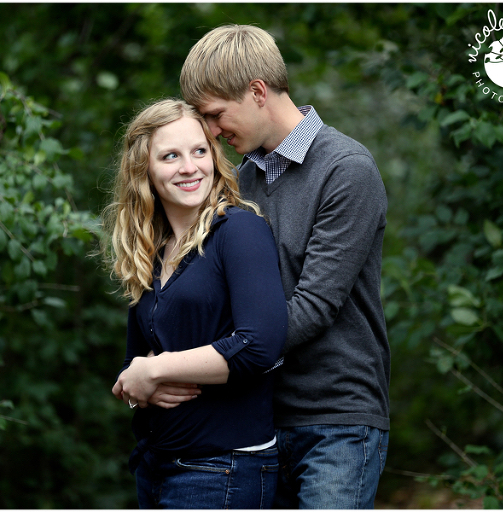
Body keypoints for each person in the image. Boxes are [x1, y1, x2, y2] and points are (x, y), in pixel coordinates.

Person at [178, 24, 391, 509]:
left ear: (257, 92)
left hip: (336, 421)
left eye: (215, 114)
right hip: (257, 420)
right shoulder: (240, 182)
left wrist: (204, 362)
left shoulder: (346, 169)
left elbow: (314, 306)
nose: (211, 131)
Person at [102, 98, 288, 509]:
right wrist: (137, 387)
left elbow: (260, 345)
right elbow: (133, 365)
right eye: (170, 156)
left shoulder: (239, 231)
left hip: (223, 469)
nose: (189, 167)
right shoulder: (151, 252)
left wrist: (157, 369)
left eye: (199, 151)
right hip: (156, 465)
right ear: (144, 169)